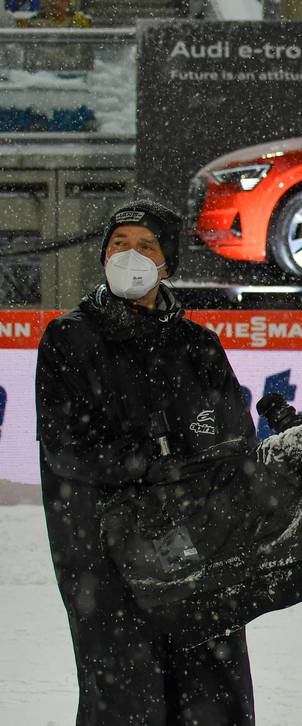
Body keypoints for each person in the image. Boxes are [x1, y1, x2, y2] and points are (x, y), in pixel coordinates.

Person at [37, 200, 256, 725]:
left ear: (167, 263)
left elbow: (232, 442)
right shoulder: (69, 338)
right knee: (124, 698)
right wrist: (153, 464)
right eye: (118, 244)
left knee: (211, 694)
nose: (129, 256)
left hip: (196, 547)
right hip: (102, 554)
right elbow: (67, 448)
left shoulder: (198, 345)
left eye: (146, 246)